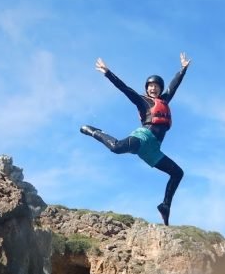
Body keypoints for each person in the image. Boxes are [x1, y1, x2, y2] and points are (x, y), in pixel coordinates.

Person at [80, 53, 191, 225]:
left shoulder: (164, 100)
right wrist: (108, 73)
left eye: (156, 86)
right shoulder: (142, 101)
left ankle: (165, 206)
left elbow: (174, 85)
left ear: (160, 88)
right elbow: (125, 89)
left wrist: (183, 69)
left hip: (154, 148)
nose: (152, 88)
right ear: (147, 88)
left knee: (178, 173)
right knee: (116, 148)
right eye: (150, 86)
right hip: (144, 137)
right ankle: (93, 131)